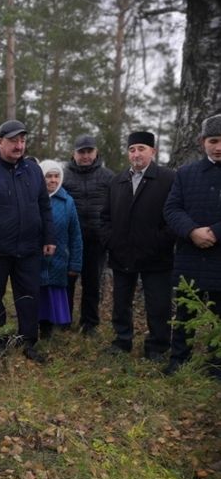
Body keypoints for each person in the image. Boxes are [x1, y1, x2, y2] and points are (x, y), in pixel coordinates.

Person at [0, 120, 56, 363]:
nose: (19, 145)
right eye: (14, 141)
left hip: (29, 248)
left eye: (22, 141)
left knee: (29, 295)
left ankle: (28, 341)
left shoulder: (33, 170)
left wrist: (49, 236)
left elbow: (43, 205)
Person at [100, 131, 175, 361]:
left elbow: (173, 217)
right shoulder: (117, 180)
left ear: (153, 151)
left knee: (158, 305)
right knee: (121, 302)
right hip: (122, 254)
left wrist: (159, 241)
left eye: (141, 148)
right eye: (132, 150)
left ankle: (157, 347)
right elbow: (105, 217)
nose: (136, 154)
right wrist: (111, 240)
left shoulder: (168, 178)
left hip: (156, 256)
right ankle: (122, 341)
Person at [163, 114, 221, 375]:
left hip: (219, 255)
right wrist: (192, 231)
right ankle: (178, 361)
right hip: (190, 255)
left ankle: (216, 365)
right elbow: (172, 209)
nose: (218, 147)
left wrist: (215, 233)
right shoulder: (186, 173)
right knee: (185, 312)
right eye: (213, 140)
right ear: (202, 142)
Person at [62, 135, 114, 335]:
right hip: (69, 241)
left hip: (96, 241)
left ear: (96, 152)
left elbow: (114, 208)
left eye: (89, 151)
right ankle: (63, 319)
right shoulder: (64, 176)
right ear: (73, 153)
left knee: (92, 284)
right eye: (81, 152)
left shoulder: (108, 177)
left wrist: (108, 234)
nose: (85, 156)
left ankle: (90, 323)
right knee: (67, 282)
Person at [38, 160, 83, 338]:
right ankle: (35, 327)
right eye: (48, 176)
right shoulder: (33, 199)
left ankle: (50, 329)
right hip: (36, 259)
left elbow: (76, 235)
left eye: (56, 176)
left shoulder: (67, 202)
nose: (53, 180)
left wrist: (75, 264)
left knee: (53, 293)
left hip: (59, 260)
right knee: (37, 293)